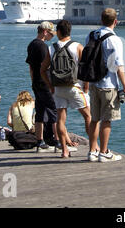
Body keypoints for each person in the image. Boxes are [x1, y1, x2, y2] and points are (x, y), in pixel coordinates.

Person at [40, 20, 93, 158]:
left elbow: (42, 70)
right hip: (75, 87)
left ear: (58, 32)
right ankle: (94, 148)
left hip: (58, 88)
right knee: (88, 116)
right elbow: (86, 68)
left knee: (60, 120)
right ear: (70, 31)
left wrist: (51, 86)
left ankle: (64, 150)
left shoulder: (51, 48)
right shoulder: (77, 46)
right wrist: (86, 85)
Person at [86, 8, 125, 162]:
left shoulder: (91, 35)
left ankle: (92, 151)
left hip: (93, 83)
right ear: (115, 22)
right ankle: (104, 152)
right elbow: (118, 65)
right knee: (107, 119)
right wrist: (124, 85)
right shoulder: (115, 39)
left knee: (94, 119)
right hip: (109, 84)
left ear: (101, 20)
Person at [26, 21, 59, 150]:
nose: (52, 37)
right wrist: (50, 84)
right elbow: (46, 67)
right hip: (45, 83)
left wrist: (33, 81)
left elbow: (31, 67)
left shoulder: (32, 44)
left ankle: (39, 141)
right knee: (54, 111)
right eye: (51, 34)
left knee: (40, 111)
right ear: (45, 32)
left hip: (36, 83)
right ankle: (57, 140)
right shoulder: (43, 47)